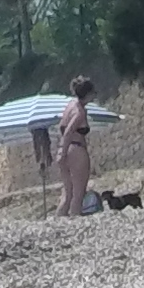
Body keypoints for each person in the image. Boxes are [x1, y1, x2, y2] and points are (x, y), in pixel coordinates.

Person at [57, 75, 95, 216]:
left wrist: (61, 151)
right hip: (76, 150)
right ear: (88, 94)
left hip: (65, 150)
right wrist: (63, 151)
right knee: (78, 194)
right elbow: (69, 131)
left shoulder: (70, 106)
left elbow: (63, 129)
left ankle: (57, 224)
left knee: (67, 195)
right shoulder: (80, 112)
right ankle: (75, 223)